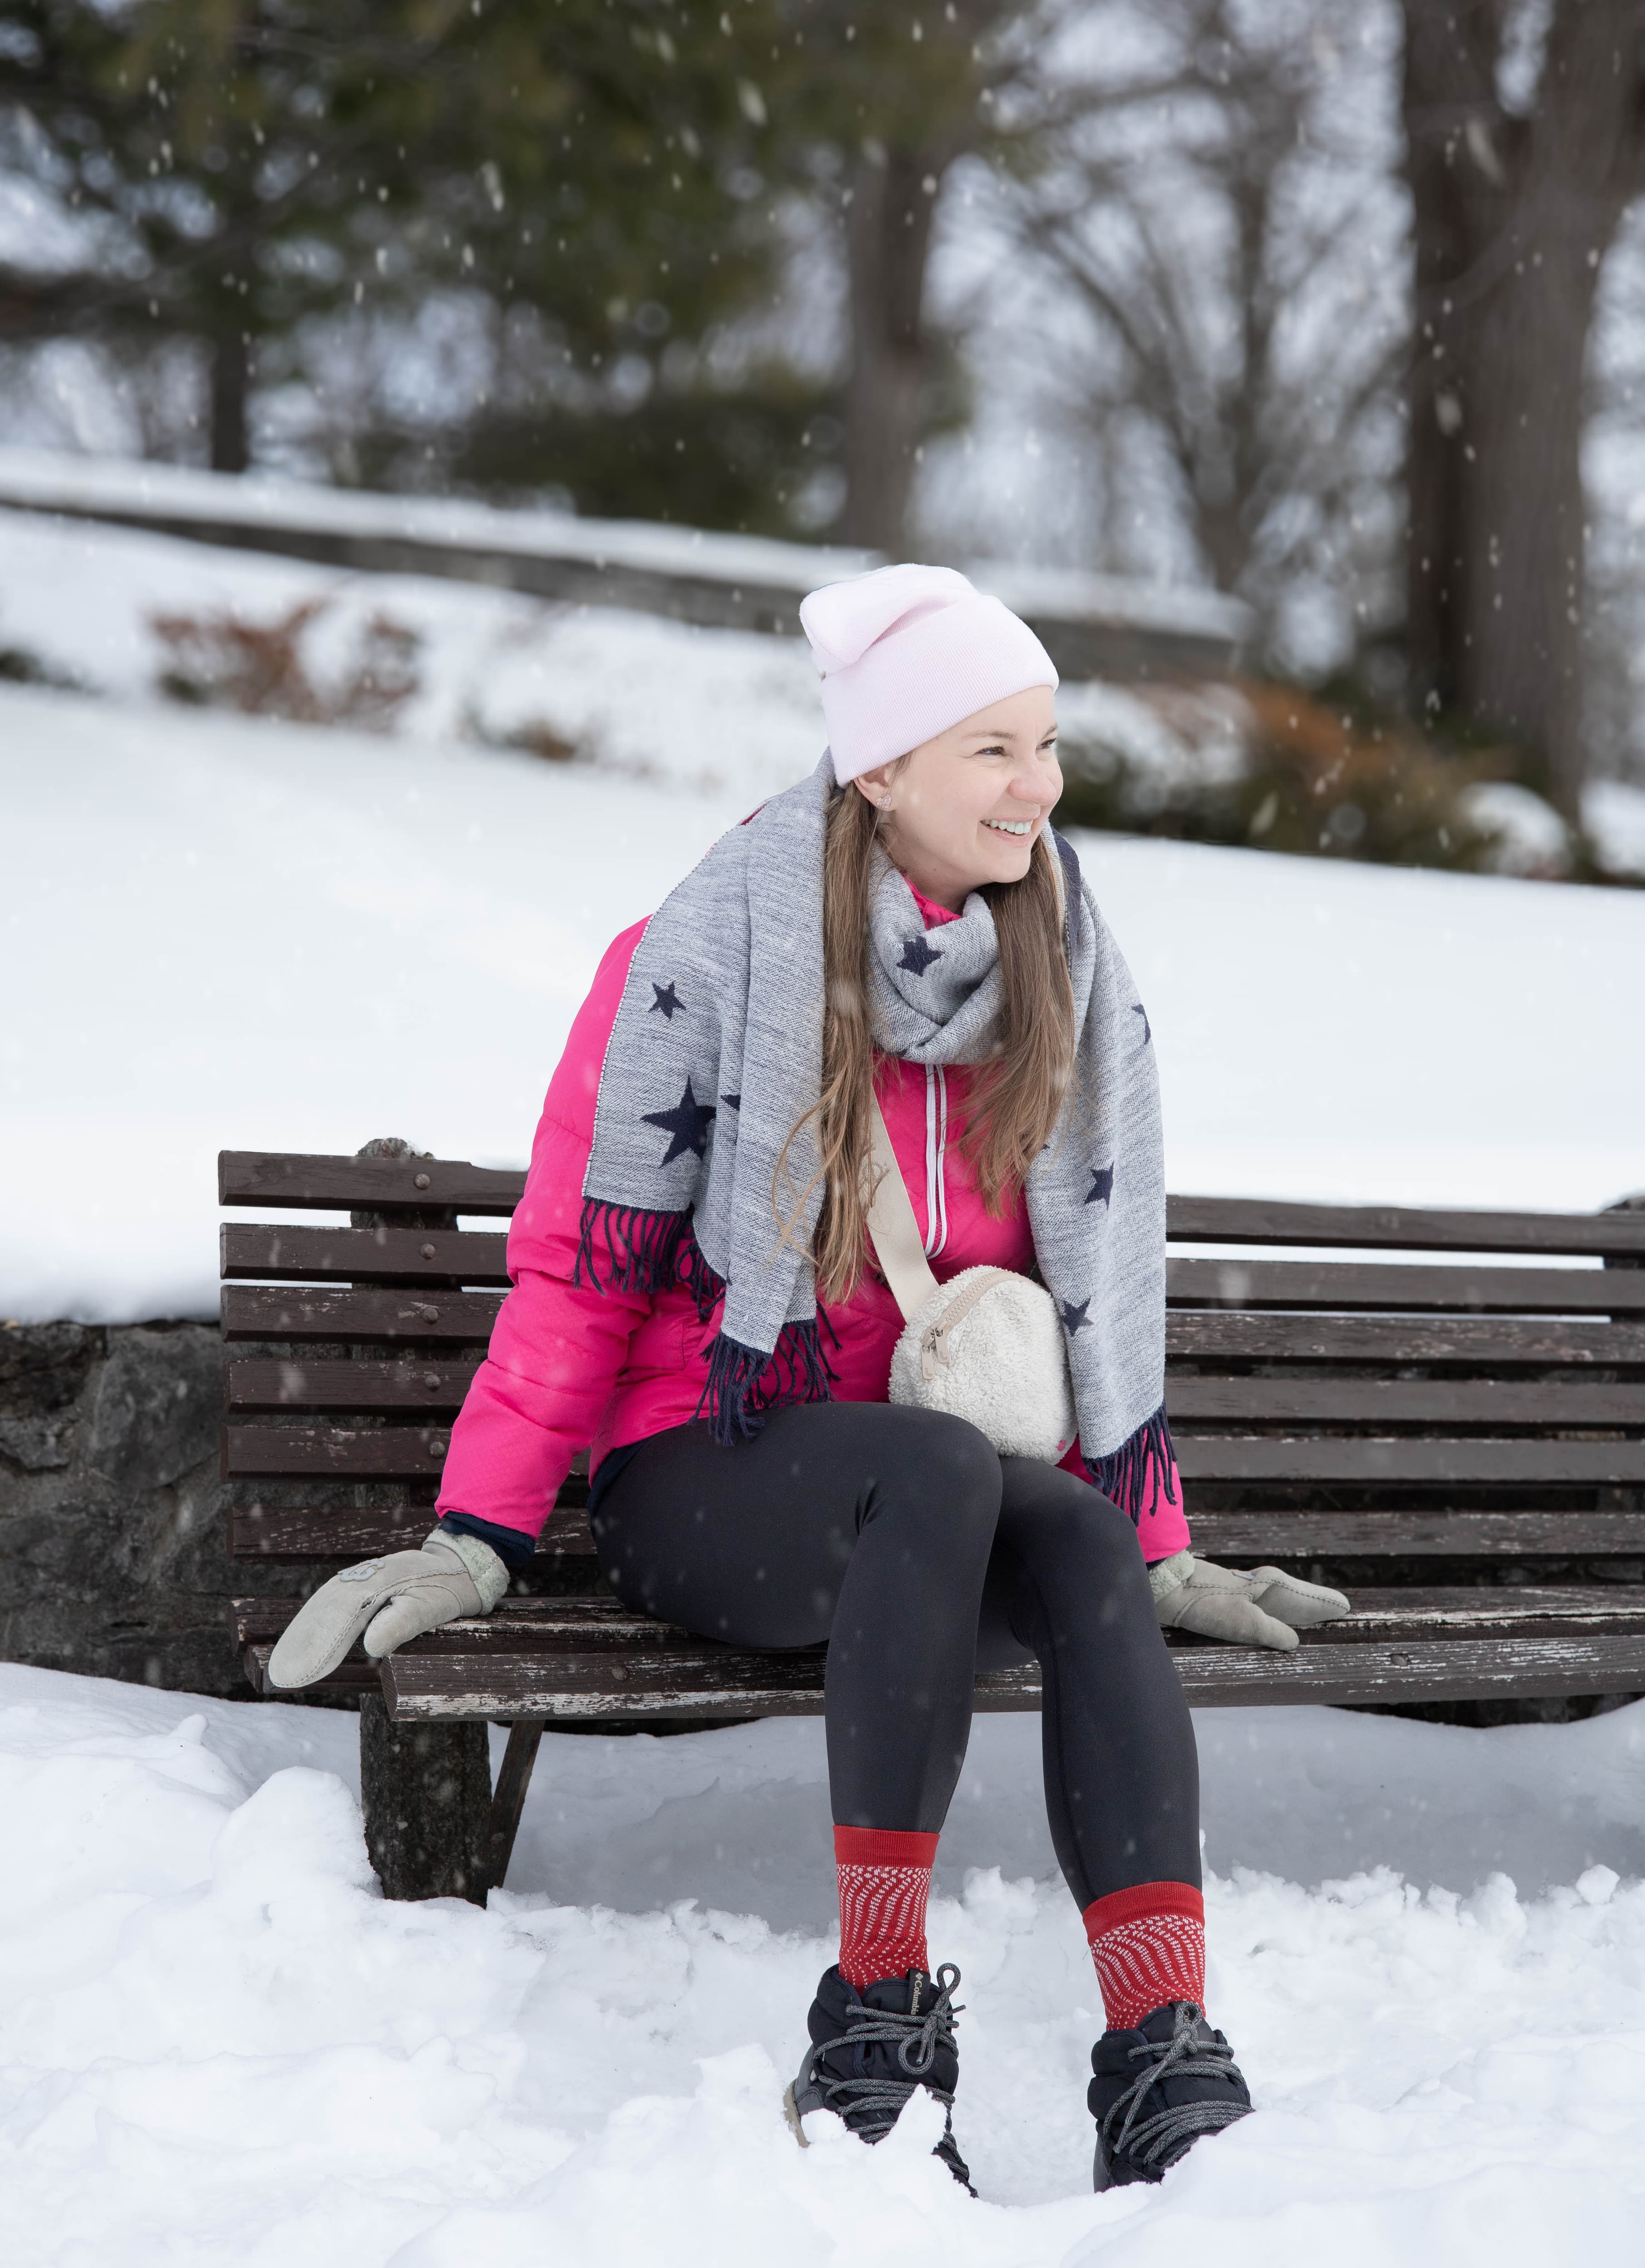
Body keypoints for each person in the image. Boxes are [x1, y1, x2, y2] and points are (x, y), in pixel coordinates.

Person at [272, 563, 1347, 2194]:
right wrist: (479, 1527)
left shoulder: (1055, 975)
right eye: (992, 748)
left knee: (1064, 1534)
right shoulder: (704, 957)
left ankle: (1159, 2050)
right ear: (881, 768)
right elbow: (585, 1261)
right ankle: (878, 2025)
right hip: (707, 1473)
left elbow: (1097, 1287)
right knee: (934, 1470)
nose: (1038, 787)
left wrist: (1155, 1537)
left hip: (934, 1493)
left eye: (1047, 744)